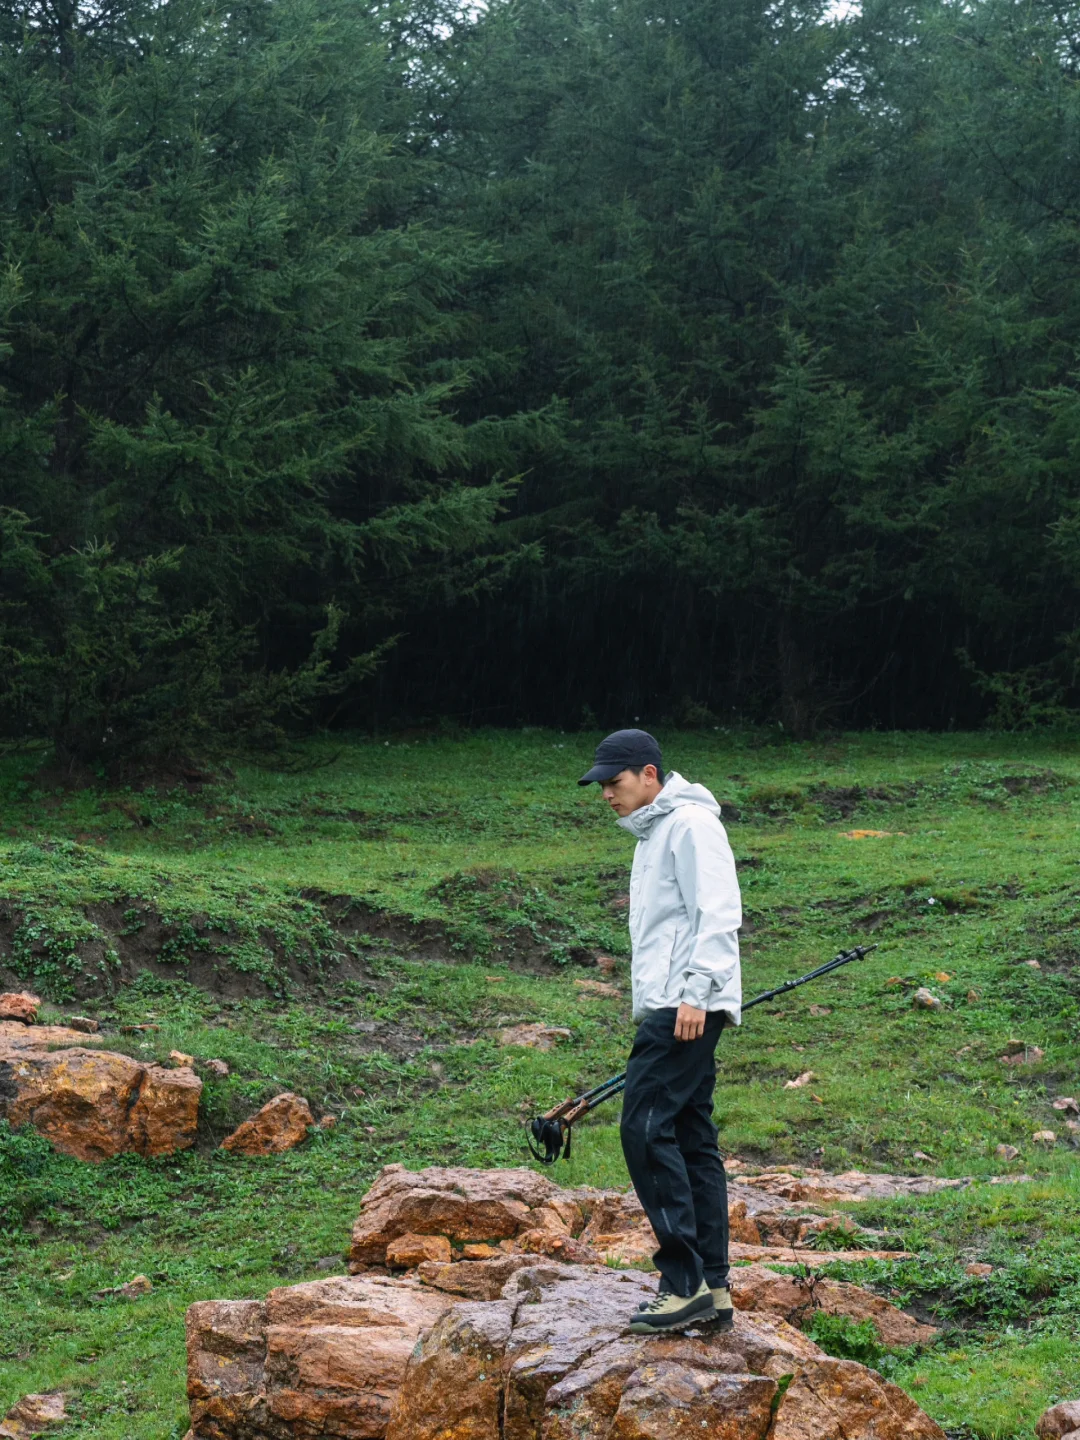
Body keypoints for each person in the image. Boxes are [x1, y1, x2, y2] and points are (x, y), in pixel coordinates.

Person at [578, 728, 741, 1334]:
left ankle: (684, 1283)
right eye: (600, 786)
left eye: (613, 783)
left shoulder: (690, 826)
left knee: (643, 1125)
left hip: (685, 1006)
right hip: (676, 1003)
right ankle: (713, 1286)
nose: (606, 796)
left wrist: (696, 993)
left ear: (649, 775)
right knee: (690, 1134)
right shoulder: (656, 831)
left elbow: (719, 911)